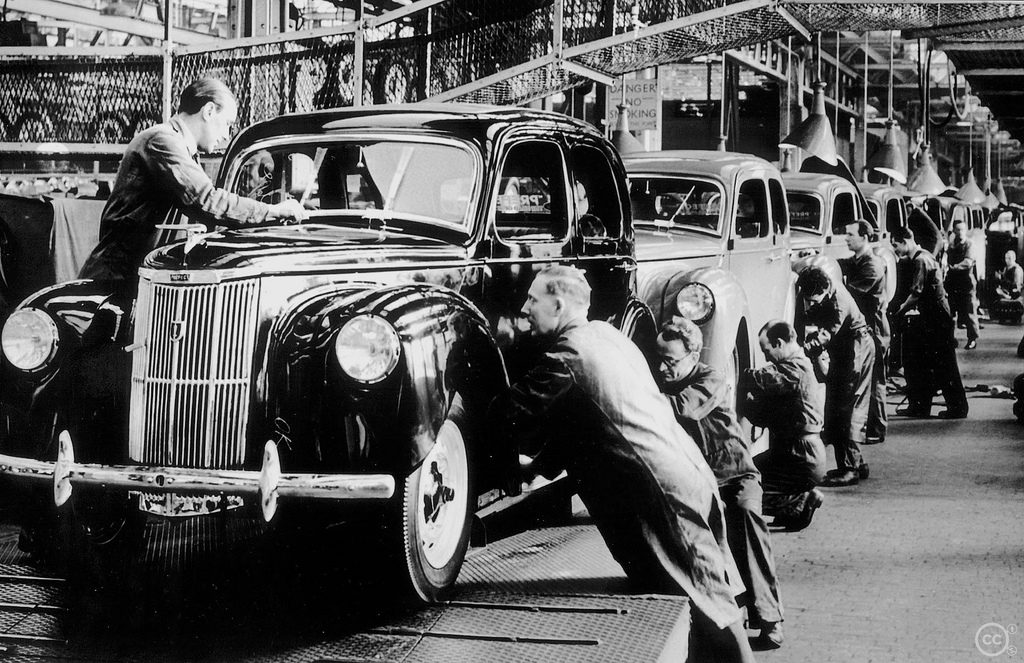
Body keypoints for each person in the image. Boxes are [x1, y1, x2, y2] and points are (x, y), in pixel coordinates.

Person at [489, 266, 755, 662]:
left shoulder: (568, 355)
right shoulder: (607, 336)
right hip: (688, 477)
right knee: (707, 596)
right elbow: (587, 424)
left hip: (662, 495)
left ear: (558, 304)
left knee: (711, 608)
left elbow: (506, 414)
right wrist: (536, 469)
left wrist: (498, 347)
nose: (525, 308)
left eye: (532, 300)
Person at [78, 78, 307, 282]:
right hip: (113, 280)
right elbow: (207, 201)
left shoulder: (179, 148)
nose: (226, 135)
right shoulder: (162, 141)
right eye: (227, 123)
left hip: (134, 276)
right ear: (208, 111)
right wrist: (274, 211)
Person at [655, 319, 784, 650]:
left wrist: (641, 399)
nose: (661, 367)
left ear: (693, 355)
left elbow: (686, 408)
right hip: (703, 484)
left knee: (746, 518)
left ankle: (769, 617)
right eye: (659, 358)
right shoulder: (663, 386)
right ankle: (730, 613)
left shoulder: (710, 378)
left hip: (737, 476)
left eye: (670, 360)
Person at [741, 320, 826, 530]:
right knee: (746, 474)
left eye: (767, 351)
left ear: (779, 343)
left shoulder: (794, 369)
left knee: (745, 491)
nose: (766, 357)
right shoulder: (795, 367)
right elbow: (764, 415)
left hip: (799, 456)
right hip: (797, 452)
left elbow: (759, 379)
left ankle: (800, 501)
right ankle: (794, 509)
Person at [795, 265, 874, 487]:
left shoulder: (839, 301)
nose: (811, 304)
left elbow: (827, 333)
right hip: (844, 349)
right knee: (837, 402)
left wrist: (801, 352)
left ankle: (849, 469)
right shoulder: (816, 287)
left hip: (857, 348)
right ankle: (856, 462)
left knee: (848, 405)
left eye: (815, 300)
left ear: (826, 288)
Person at [891, 227, 969, 418]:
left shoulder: (920, 260)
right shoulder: (921, 256)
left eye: (896, 245)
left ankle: (957, 408)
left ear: (906, 241)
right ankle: (919, 405)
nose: (896, 251)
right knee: (922, 362)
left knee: (944, 363)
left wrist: (899, 311)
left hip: (938, 318)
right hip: (931, 316)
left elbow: (916, 293)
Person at [840, 220, 890, 445]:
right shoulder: (860, 260)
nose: (846, 238)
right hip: (869, 328)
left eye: (851, 234)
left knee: (876, 380)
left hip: (876, 329)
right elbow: (843, 264)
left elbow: (852, 291)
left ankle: (877, 429)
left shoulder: (872, 265)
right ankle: (872, 426)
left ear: (865, 237)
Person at [944, 219, 979, 350]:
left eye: (962, 229)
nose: (960, 232)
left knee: (969, 312)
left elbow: (968, 262)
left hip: (966, 282)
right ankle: (950, 338)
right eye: (958, 230)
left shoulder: (969, 244)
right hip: (953, 283)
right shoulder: (952, 245)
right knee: (950, 312)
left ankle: (972, 339)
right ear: (954, 230)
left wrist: (954, 267)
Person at [993, 249, 1024, 323]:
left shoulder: (1017, 269)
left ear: (1014, 258)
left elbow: (1016, 285)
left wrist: (1002, 279)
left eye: (1009, 258)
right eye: (1006, 258)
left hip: (1014, 292)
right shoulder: (1005, 268)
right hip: (1006, 290)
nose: (1007, 260)